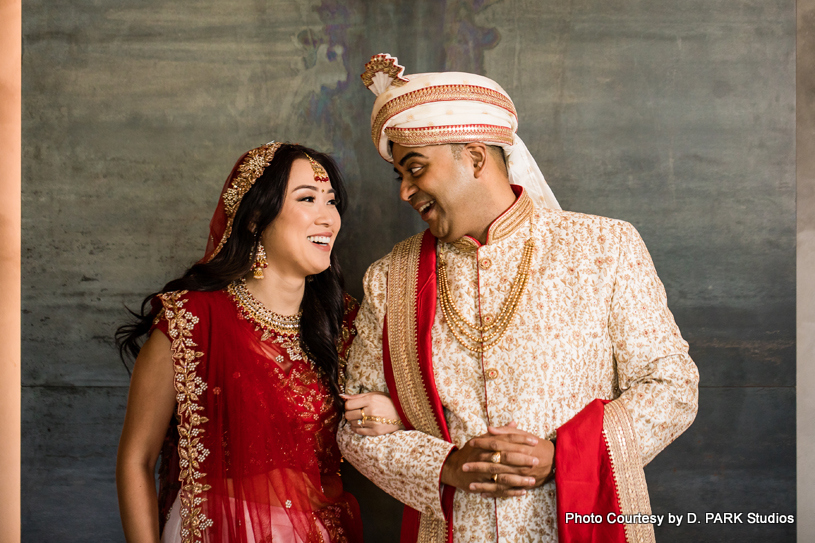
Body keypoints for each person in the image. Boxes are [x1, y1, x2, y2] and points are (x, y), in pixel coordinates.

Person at [338, 54, 700, 543]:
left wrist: (563, 455)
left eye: (415, 169)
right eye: (400, 175)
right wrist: (446, 466)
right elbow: (357, 427)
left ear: (475, 157)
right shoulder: (390, 279)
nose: (404, 192)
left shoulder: (602, 247)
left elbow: (672, 385)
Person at [115, 142, 398, 543]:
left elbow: (398, 418)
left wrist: (391, 412)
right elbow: (136, 460)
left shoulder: (345, 324)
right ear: (254, 219)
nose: (328, 217)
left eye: (331, 201)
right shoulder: (192, 320)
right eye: (307, 199)